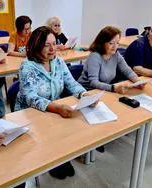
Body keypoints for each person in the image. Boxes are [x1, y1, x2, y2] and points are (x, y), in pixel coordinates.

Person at [15, 26, 94, 180]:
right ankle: (50, 160)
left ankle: (59, 158)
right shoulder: (27, 66)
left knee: (66, 132)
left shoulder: (57, 61)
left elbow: (71, 82)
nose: (53, 49)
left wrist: (84, 94)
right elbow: (31, 97)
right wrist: (56, 108)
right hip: (30, 114)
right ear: (36, 46)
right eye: (46, 45)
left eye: (54, 43)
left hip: (52, 110)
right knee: (47, 137)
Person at [78, 26, 144, 94]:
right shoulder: (95, 56)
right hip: (88, 91)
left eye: (117, 43)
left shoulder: (116, 54)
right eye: (111, 43)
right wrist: (113, 88)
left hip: (103, 90)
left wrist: (138, 81)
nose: (115, 47)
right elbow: (94, 82)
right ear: (102, 43)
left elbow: (127, 70)